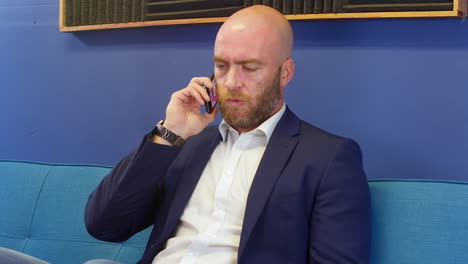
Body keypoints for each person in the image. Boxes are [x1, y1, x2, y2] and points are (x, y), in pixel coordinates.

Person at [85, 5, 371, 264]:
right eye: (221, 66)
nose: (231, 82)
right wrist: (170, 132)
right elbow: (105, 225)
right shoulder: (186, 145)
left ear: (285, 73)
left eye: (249, 67)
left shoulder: (327, 157)